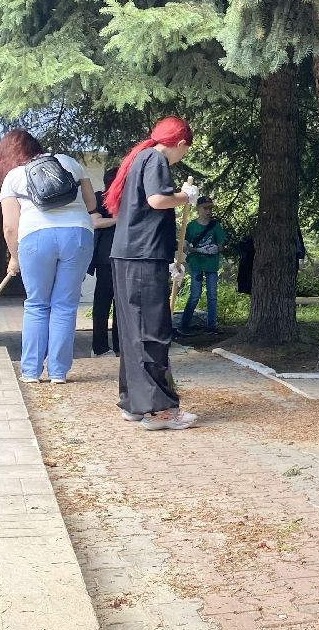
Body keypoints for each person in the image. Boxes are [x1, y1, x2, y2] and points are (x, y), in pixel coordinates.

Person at [104, 117, 202, 430]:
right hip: (143, 257)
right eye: (185, 150)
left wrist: (169, 259)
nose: (183, 156)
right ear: (181, 144)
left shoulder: (139, 159)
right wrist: (186, 197)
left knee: (134, 333)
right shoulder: (157, 159)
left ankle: (134, 403)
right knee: (152, 331)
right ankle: (159, 410)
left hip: (133, 256)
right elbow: (157, 200)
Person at [0, 130, 97, 385]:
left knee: (37, 304)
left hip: (35, 238)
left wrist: (14, 257)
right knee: (65, 304)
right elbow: (91, 203)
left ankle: (30, 372)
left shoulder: (13, 177)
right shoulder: (69, 162)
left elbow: (10, 226)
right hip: (78, 234)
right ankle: (58, 373)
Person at [179, 196, 227, 336]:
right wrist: (195, 249)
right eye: (205, 208)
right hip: (197, 265)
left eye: (210, 208)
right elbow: (185, 246)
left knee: (212, 295)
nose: (208, 211)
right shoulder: (192, 226)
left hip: (211, 265)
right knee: (195, 295)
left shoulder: (215, 226)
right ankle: (184, 325)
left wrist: (216, 249)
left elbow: (221, 245)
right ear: (198, 209)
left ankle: (211, 326)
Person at [89, 167, 120, 357]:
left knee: (121, 305)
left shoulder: (128, 199)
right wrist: (118, 220)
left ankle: (120, 345)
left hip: (125, 256)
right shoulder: (100, 198)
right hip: (105, 257)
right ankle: (99, 347)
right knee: (102, 303)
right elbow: (95, 222)